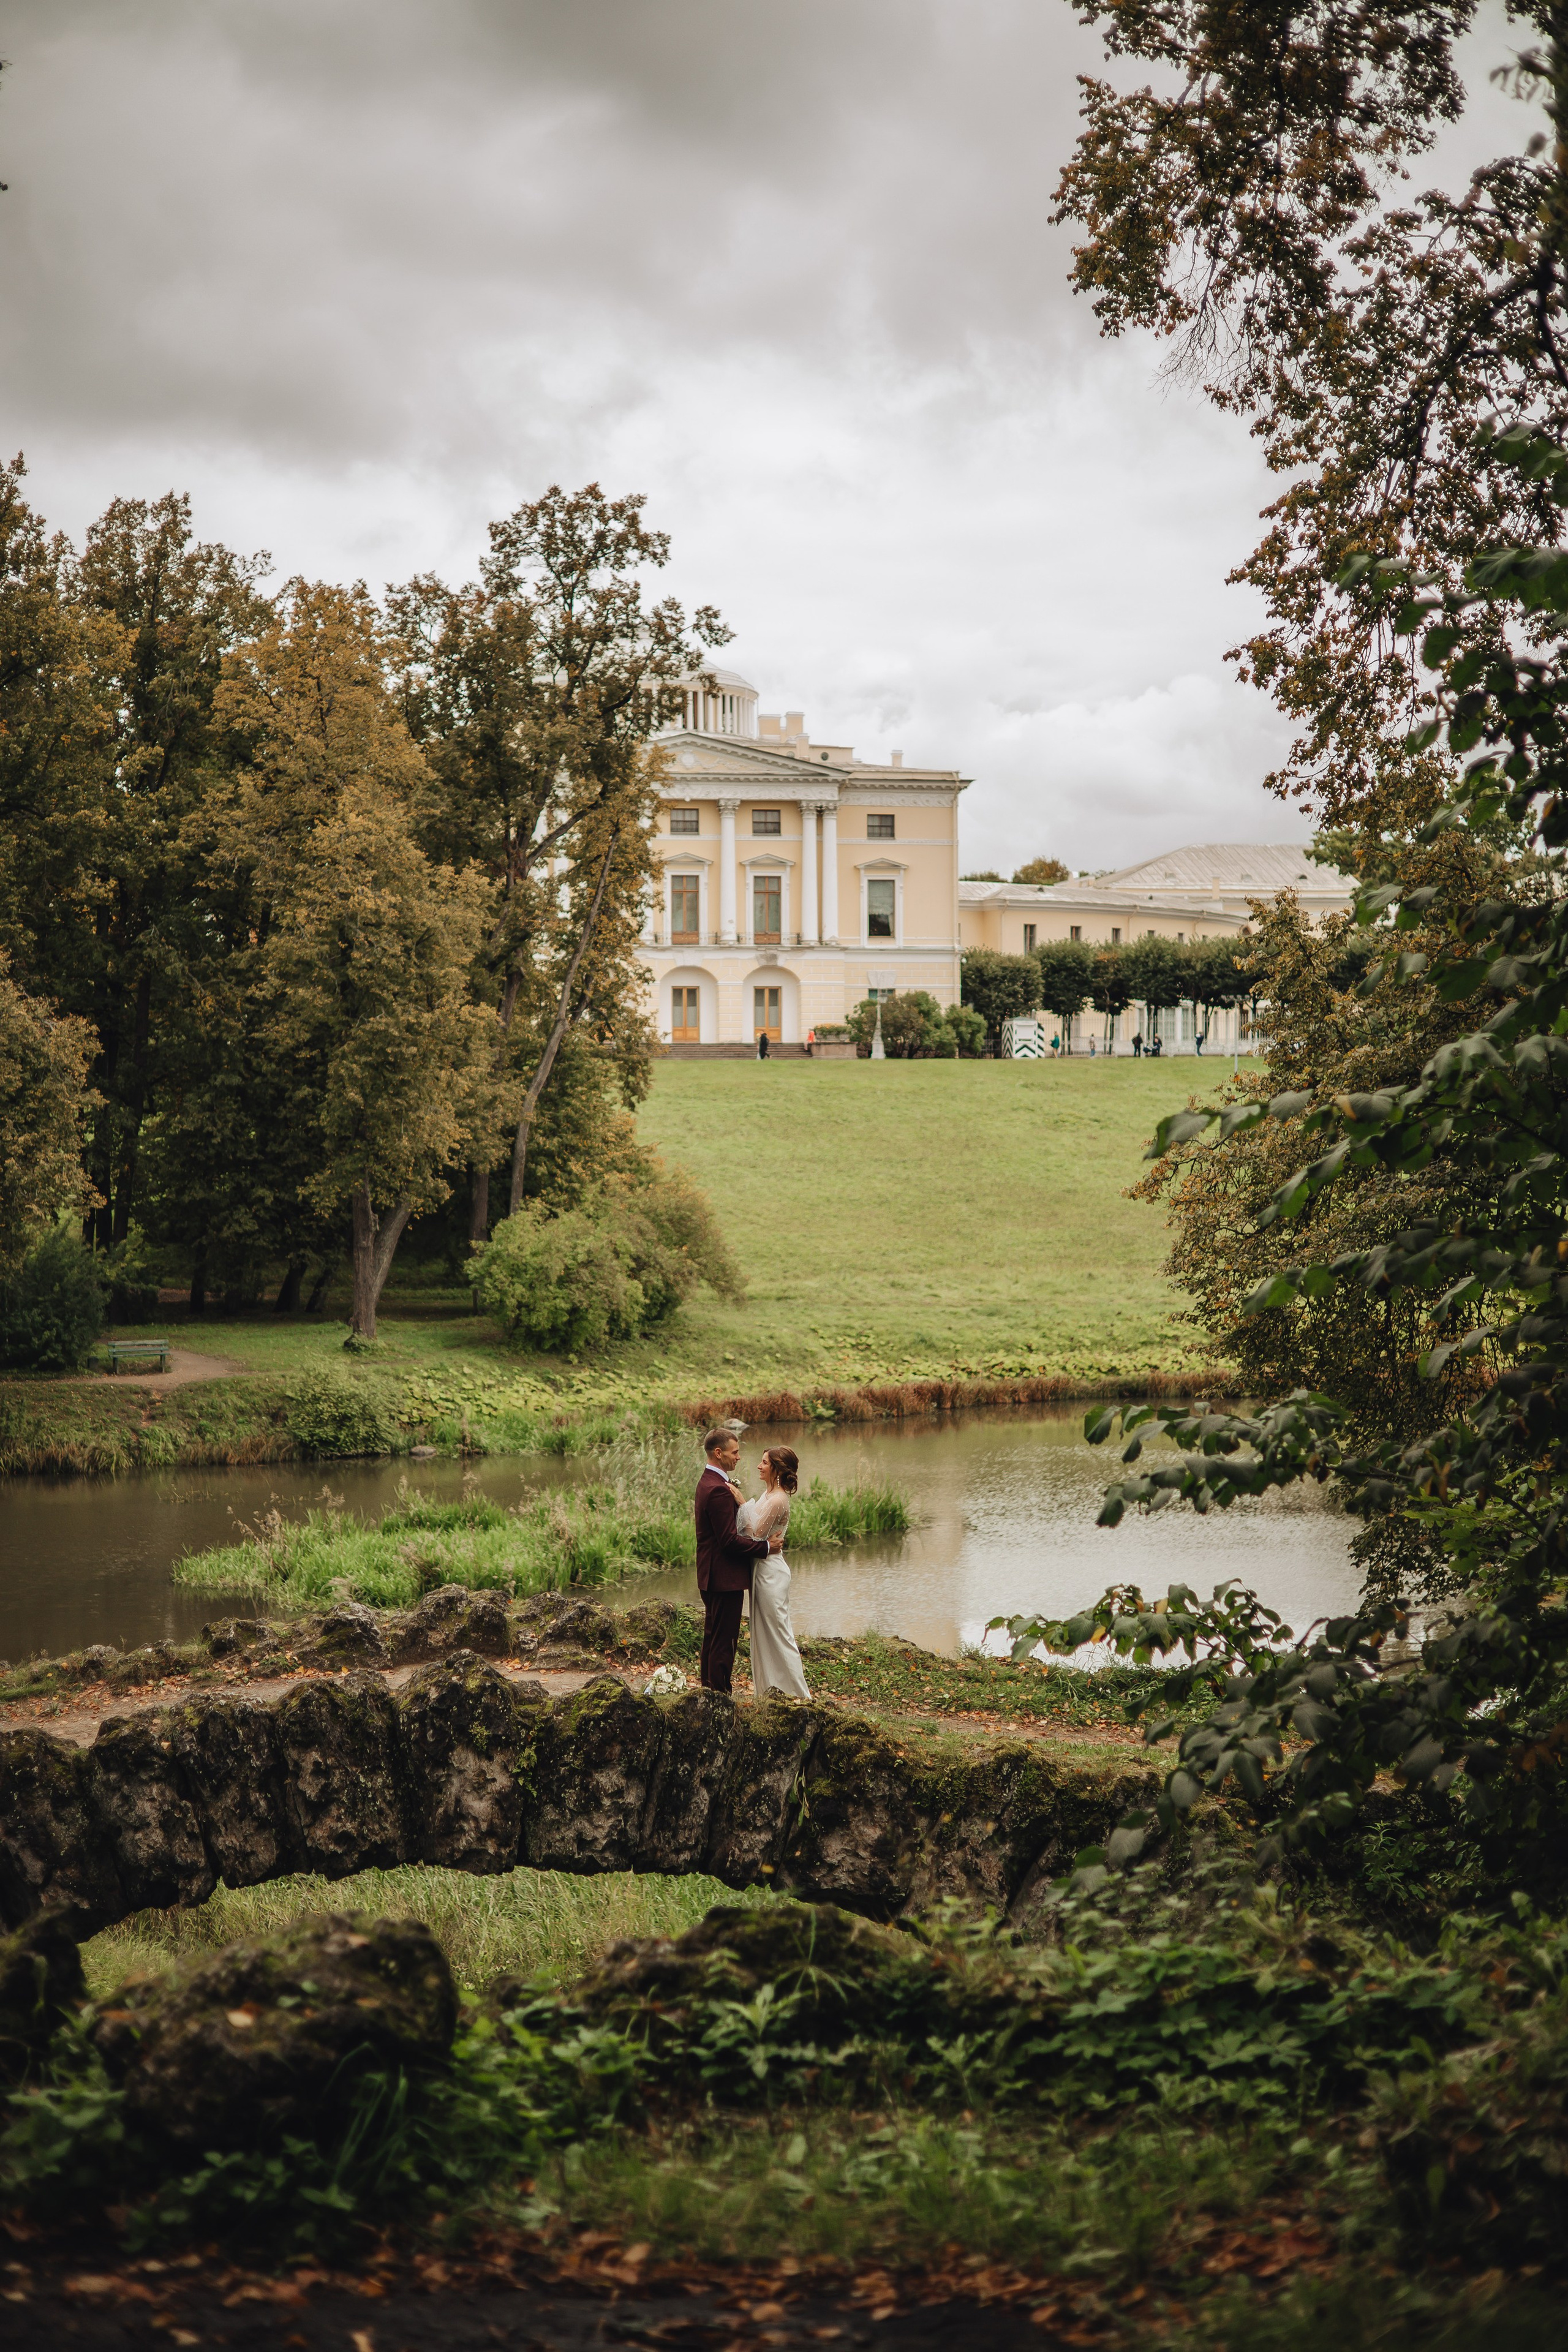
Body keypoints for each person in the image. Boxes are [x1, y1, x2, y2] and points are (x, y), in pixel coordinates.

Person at [695, 1427, 780, 1692]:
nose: (739, 1457)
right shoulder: (718, 1489)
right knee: (724, 1641)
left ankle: (709, 1691)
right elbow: (729, 1541)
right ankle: (720, 1695)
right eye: (735, 1452)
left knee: (713, 1637)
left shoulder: (708, 1481)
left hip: (712, 1575)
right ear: (718, 1453)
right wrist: (766, 1547)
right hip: (724, 1579)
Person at [738, 1446, 810, 1700]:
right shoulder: (768, 1494)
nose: (759, 1466)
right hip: (762, 1569)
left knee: (779, 1634)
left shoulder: (778, 1500)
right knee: (764, 1633)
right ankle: (770, 1691)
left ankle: (800, 1695)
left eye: (764, 1463)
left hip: (771, 1574)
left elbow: (754, 1535)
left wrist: (741, 1502)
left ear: (777, 1469)